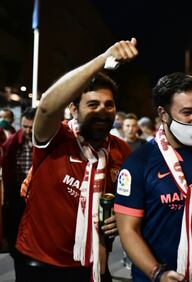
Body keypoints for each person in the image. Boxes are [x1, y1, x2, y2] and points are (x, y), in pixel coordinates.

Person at [14, 38, 137, 282]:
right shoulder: (56, 137)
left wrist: (120, 217)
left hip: (93, 268)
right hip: (39, 265)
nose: (102, 111)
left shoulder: (121, 150)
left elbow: (131, 203)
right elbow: (47, 107)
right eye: (92, 104)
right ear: (73, 109)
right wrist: (104, 59)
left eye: (109, 105)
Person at [115, 72, 192, 282]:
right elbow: (128, 230)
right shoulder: (138, 163)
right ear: (163, 113)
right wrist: (157, 273)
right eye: (187, 112)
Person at [1, 107, 36, 265]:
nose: (28, 130)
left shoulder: (45, 143)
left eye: (31, 127)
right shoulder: (12, 142)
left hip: (36, 197)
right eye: (25, 126)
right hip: (16, 195)